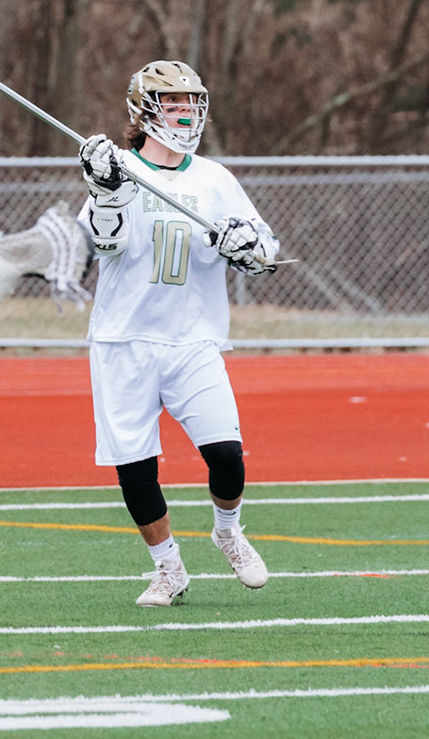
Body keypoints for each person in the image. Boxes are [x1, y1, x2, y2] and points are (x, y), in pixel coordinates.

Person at [76, 61, 281, 607]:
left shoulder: (214, 179)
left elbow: (266, 249)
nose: (186, 113)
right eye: (173, 104)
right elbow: (105, 245)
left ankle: (227, 531)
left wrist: (247, 248)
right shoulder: (116, 167)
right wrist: (106, 192)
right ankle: (168, 569)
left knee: (227, 455)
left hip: (194, 339)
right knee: (135, 468)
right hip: (124, 340)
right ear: (144, 111)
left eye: (191, 103)